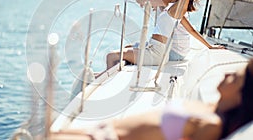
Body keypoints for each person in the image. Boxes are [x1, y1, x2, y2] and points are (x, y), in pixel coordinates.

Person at [51, 58, 253, 140]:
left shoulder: (211, 125)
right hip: (102, 130)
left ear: (241, 95)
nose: (226, 75)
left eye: (235, 78)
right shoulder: (208, 108)